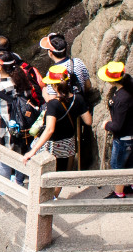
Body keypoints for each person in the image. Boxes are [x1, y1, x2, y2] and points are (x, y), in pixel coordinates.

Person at [28, 72, 92, 173]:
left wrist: (33, 150)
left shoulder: (53, 104)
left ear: (54, 86)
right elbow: (88, 121)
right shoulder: (78, 99)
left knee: (46, 175)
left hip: (52, 144)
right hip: (68, 143)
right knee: (61, 174)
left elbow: (49, 129)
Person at [99, 61, 133, 192]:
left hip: (123, 139)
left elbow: (117, 127)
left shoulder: (121, 99)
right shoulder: (129, 85)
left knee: (117, 167)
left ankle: (119, 193)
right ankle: (130, 186)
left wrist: (107, 125)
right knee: (130, 164)